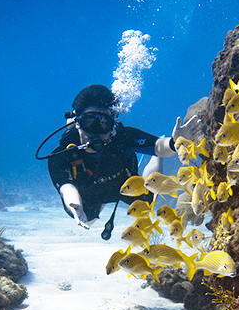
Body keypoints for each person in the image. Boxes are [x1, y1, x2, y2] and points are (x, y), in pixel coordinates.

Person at [47, 84, 200, 235]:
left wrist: (175, 142)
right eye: (89, 122)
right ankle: (99, 204)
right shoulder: (63, 153)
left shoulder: (121, 137)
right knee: (87, 218)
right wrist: (75, 205)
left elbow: (159, 146)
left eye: (103, 123)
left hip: (125, 183)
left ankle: (154, 160)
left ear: (112, 124)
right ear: (78, 123)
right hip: (91, 190)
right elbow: (67, 187)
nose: (96, 132)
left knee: (149, 199)